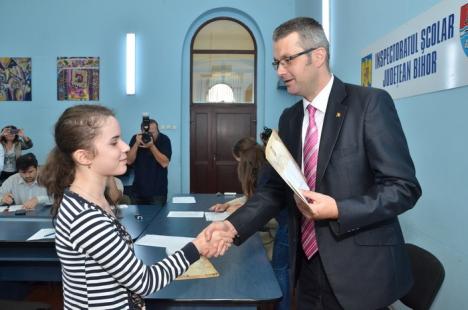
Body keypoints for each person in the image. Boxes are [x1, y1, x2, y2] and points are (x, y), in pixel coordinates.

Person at [205, 17, 421, 310]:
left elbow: (403, 187)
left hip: (361, 276)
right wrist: (232, 226)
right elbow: (273, 191)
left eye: (287, 60)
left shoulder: (369, 104)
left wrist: (338, 209)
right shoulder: (289, 120)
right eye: (276, 63)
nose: (280, 71)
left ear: (318, 55)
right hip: (305, 271)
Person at [39, 104, 232, 309]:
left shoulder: (95, 201)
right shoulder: (85, 218)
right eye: (114, 142)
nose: (124, 146)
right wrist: (199, 246)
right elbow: (144, 281)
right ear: (84, 156)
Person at [209, 135, 291, 310]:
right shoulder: (265, 168)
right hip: (283, 226)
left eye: (237, 162)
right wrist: (228, 205)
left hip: (285, 227)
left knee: (280, 271)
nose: (237, 166)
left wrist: (241, 215)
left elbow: (265, 210)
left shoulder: (265, 175)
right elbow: (251, 199)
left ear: (245, 161)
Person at [127, 118, 171, 205]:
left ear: (158, 130)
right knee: (138, 218)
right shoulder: (136, 138)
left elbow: (164, 163)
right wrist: (136, 144)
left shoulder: (164, 140)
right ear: (142, 131)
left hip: (157, 192)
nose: (149, 135)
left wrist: (151, 146)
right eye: (147, 133)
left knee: (158, 218)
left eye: (152, 133)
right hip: (137, 191)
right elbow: (129, 161)